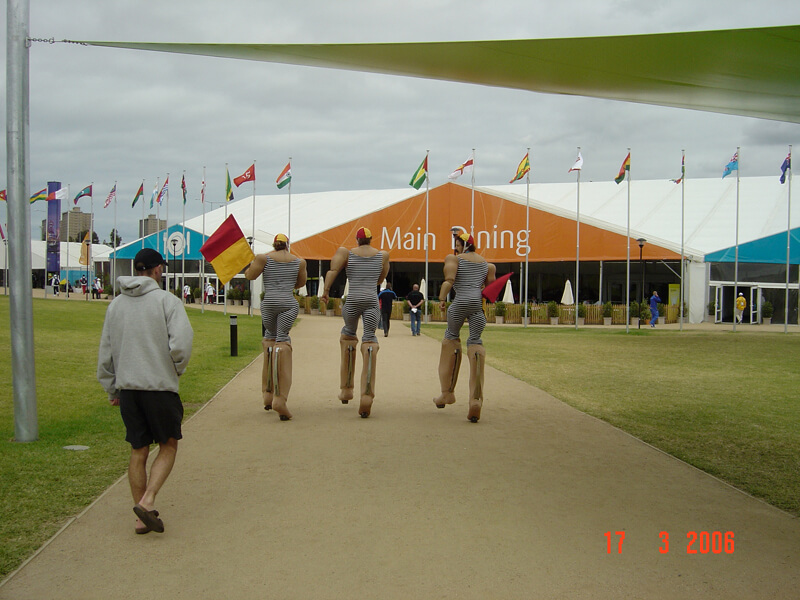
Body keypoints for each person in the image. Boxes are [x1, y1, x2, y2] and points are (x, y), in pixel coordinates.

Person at [97, 248, 193, 535]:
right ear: (156, 270)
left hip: (128, 388)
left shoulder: (115, 306)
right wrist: (176, 368)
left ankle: (142, 516)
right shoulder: (167, 301)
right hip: (159, 386)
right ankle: (148, 500)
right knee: (168, 444)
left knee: (138, 449)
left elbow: (107, 352)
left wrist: (112, 387)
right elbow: (181, 345)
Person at [320, 227, 389, 418]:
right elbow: (381, 278)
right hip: (371, 300)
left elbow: (333, 270)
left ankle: (346, 389)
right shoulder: (382, 255)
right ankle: (367, 395)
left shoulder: (347, 253)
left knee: (348, 334)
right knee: (370, 339)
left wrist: (325, 291)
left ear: (357, 240)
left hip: (353, 299)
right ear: (371, 239)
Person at [433, 232, 496, 423]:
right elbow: (490, 290)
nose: (456, 247)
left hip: (460, 304)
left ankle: (447, 392)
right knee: (476, 343)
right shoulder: (488, 265)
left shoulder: (454, 259)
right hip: (477, 307)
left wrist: (442, 299)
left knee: (451, 338)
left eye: (457, 243)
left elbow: (449, 280)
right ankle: (475, 400)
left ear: (464, 245)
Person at [245, 233, 307, 420]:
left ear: (274, 244)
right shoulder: (299, 261)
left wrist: (250, 264)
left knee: (269, 341)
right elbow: (301, 283)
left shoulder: (264, 258)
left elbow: (250, 276)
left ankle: (267, 393)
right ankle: (281, 399)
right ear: (287, 245)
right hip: (288, 303)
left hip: (269, 303)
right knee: (283, 342)